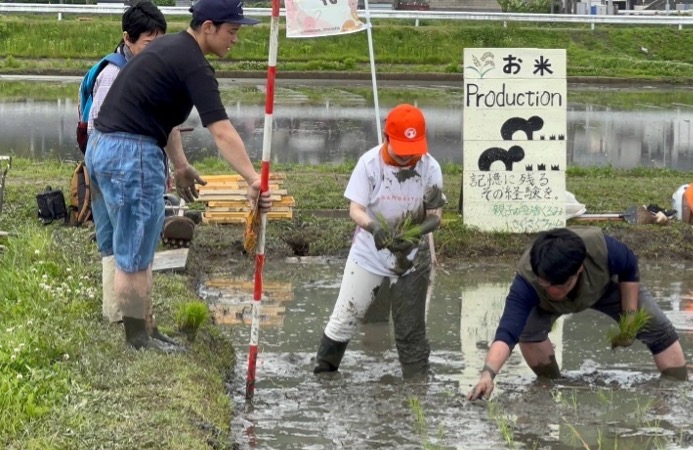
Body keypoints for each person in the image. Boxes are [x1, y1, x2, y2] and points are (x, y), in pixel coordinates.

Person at [86, 0, 272, 352]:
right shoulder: (194, 65)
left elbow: (161, 113)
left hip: (102, 147)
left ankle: (145, 328)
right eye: (232, 31)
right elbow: (221, 131)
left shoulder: (169, 47)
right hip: (131, 154)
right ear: (208, 27)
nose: (235, 39)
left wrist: (182, 166)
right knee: (135, 254)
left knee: (126, 245)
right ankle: (137, 339)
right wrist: (252, 179)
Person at [467, 227, 688, 401]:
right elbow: (507, 332)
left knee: (658, 327)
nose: (553, 291)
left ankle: (676, 389)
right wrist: (488, 374)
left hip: (605, 288)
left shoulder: (603, 249)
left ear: (579, 270)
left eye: (560, 285)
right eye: (547, 284)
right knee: (527, 329)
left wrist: (629, 318)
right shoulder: (528, 281)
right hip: (543, 305)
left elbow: (629, 266)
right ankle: (551, 384)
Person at [313, 104, 445, 379]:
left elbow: (435, 216)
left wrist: (414, 233)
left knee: (411, 332)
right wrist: (374, 228)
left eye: (414, 149)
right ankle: (323, 376)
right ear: (386, 138)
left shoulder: (430, 167)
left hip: (411, 258)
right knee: (344, 319)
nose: (409, 156)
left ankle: (417, 386)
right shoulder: (370, 164)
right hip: (369, 253)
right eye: (403, 148)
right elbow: (355, 209)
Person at [85, 1, 171, 329]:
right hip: (111, 166)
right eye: (149, 44)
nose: (155, 51)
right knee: (119, 240)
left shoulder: (140, 69)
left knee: (120, 240)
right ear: (128, 39)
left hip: (115, 164)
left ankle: (121, 312)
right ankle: (121, 315)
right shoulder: (113, 74)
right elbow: (101, 129)